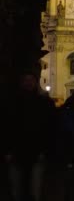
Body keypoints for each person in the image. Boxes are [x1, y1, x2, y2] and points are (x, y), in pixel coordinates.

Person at [4, 72, 56, 201]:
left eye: (31, 80)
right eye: (25, 80)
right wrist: (7, 150)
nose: (28, 83)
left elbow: (49, 128)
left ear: (35, 82)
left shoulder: (44, 102)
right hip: (16, 153)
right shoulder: (11, 101)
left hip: (37, 153)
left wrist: (45, 150)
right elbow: (6, 127)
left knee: (35, 191)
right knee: (17, 190)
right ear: (21, 83)